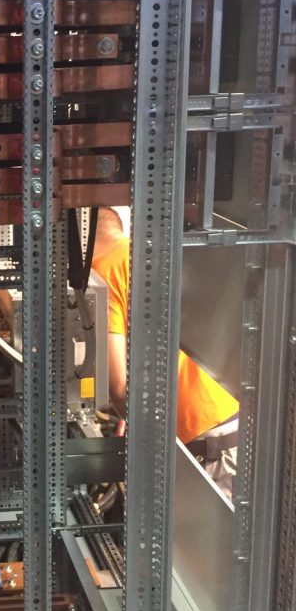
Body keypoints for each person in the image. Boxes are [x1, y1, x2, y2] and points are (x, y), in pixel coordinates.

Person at [91, 207, 239, 497]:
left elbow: (119, 387)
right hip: (225, 409)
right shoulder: (149, 253)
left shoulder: (102, 271)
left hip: (205, 441)